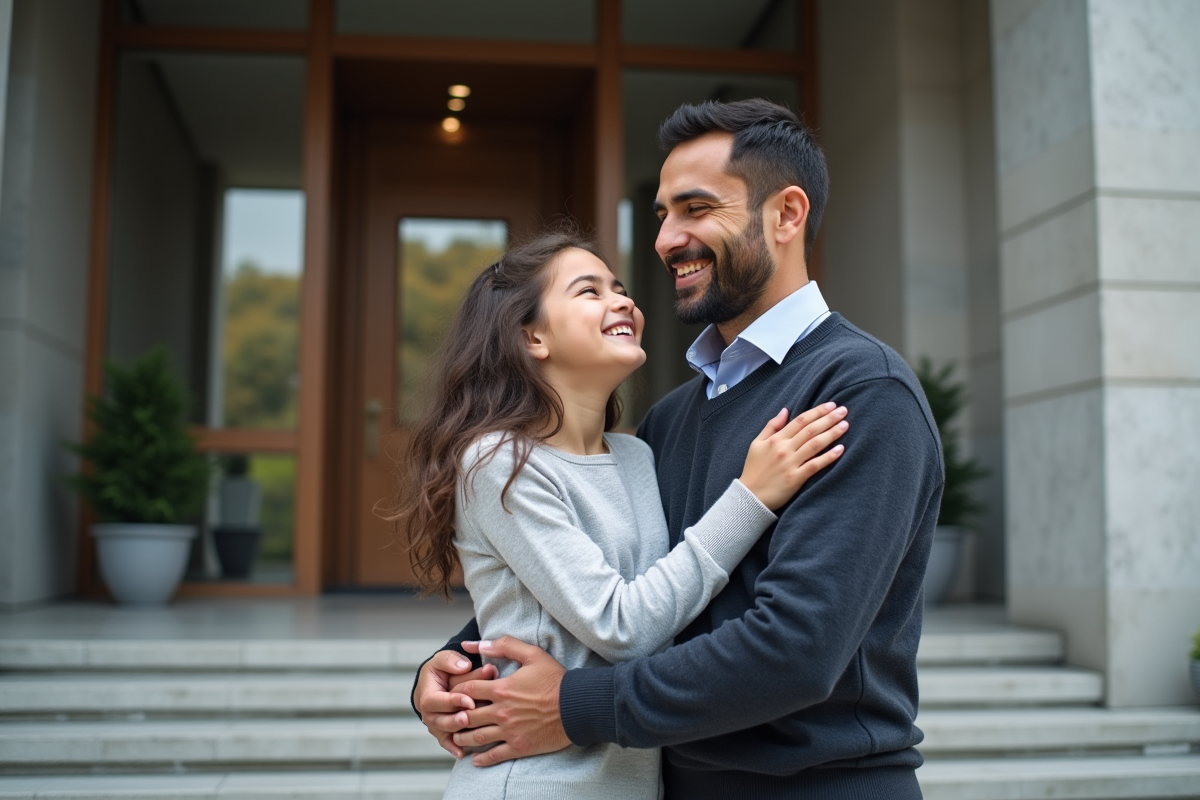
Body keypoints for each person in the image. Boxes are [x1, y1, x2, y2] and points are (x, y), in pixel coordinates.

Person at [414, 99, 943, 800]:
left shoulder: (859, 392)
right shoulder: (668, 421)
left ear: (787, 216)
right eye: (662, 214)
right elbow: (594, 580)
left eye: (695, 208)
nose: (666, 239)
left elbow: (794, 652)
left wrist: (572, 707)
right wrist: (452, 669)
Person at [392, 227, 850, 800]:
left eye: (620, 287)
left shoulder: (637, 455)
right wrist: (750, 498)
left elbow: (568, 602)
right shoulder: (499, 463)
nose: (623, 301)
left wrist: (446, 659)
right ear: (532, 336)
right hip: (535, 783)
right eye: (589, 291)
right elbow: (618, 624)